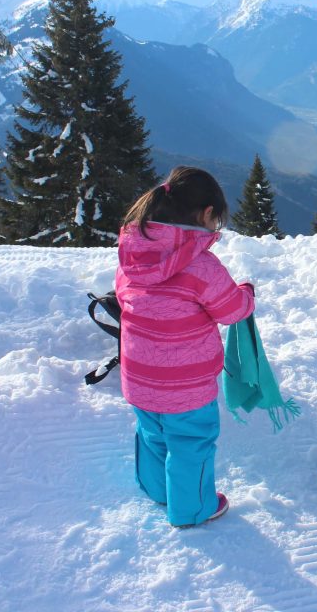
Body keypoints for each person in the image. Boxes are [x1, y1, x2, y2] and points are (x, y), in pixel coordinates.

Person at [115, 165, 256, 527]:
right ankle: (192, 509)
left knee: (151, 436)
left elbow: (124, 298)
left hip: (139, 380)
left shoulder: (131, 257)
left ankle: (158, 490)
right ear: (207, 214)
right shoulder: (201, 266)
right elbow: (231, 311)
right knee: (191, 443)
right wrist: (247, 294)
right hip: (187, 386)